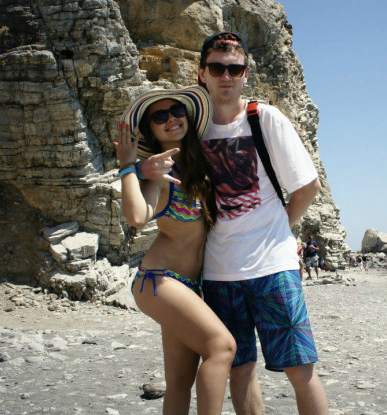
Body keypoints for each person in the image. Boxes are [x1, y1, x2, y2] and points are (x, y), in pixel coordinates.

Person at [192, 31, 327, 415]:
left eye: (235, 69)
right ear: (201, 72)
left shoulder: (264, 118)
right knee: (239, 369)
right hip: (219, 273)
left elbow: (307, 186)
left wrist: (279, 228)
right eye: (217, 67)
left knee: (300, 368)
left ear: (246, 73)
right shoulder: (193, 129)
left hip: (274, 268)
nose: (226, 76)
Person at [116, 86, 236, 415]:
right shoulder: (158, 173)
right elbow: (137, 216)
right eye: (160, 116)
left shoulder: (198, 168)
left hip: (188, 286)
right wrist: (129, 167)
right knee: (222, 348)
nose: (171, 119)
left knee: (181, 381)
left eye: (177, 111)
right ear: (151, 130)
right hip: (159, 281)